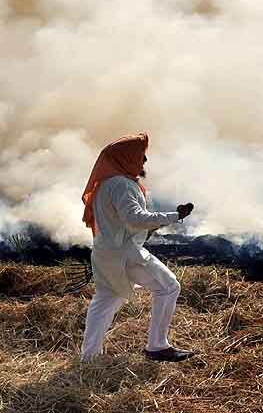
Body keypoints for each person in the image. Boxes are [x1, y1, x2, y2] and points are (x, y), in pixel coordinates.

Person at [79, 132, 195, 362]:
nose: (144, 160)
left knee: (105, 299)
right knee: (169, 287)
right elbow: (135, 218)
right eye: (140, 155)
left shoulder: (106, 184)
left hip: (105, 252)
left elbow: (124, 220)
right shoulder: (122, 185)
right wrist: (174, 216)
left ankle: (89, 357)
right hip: (126, 254)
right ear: (126, 158)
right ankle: (157, 346)